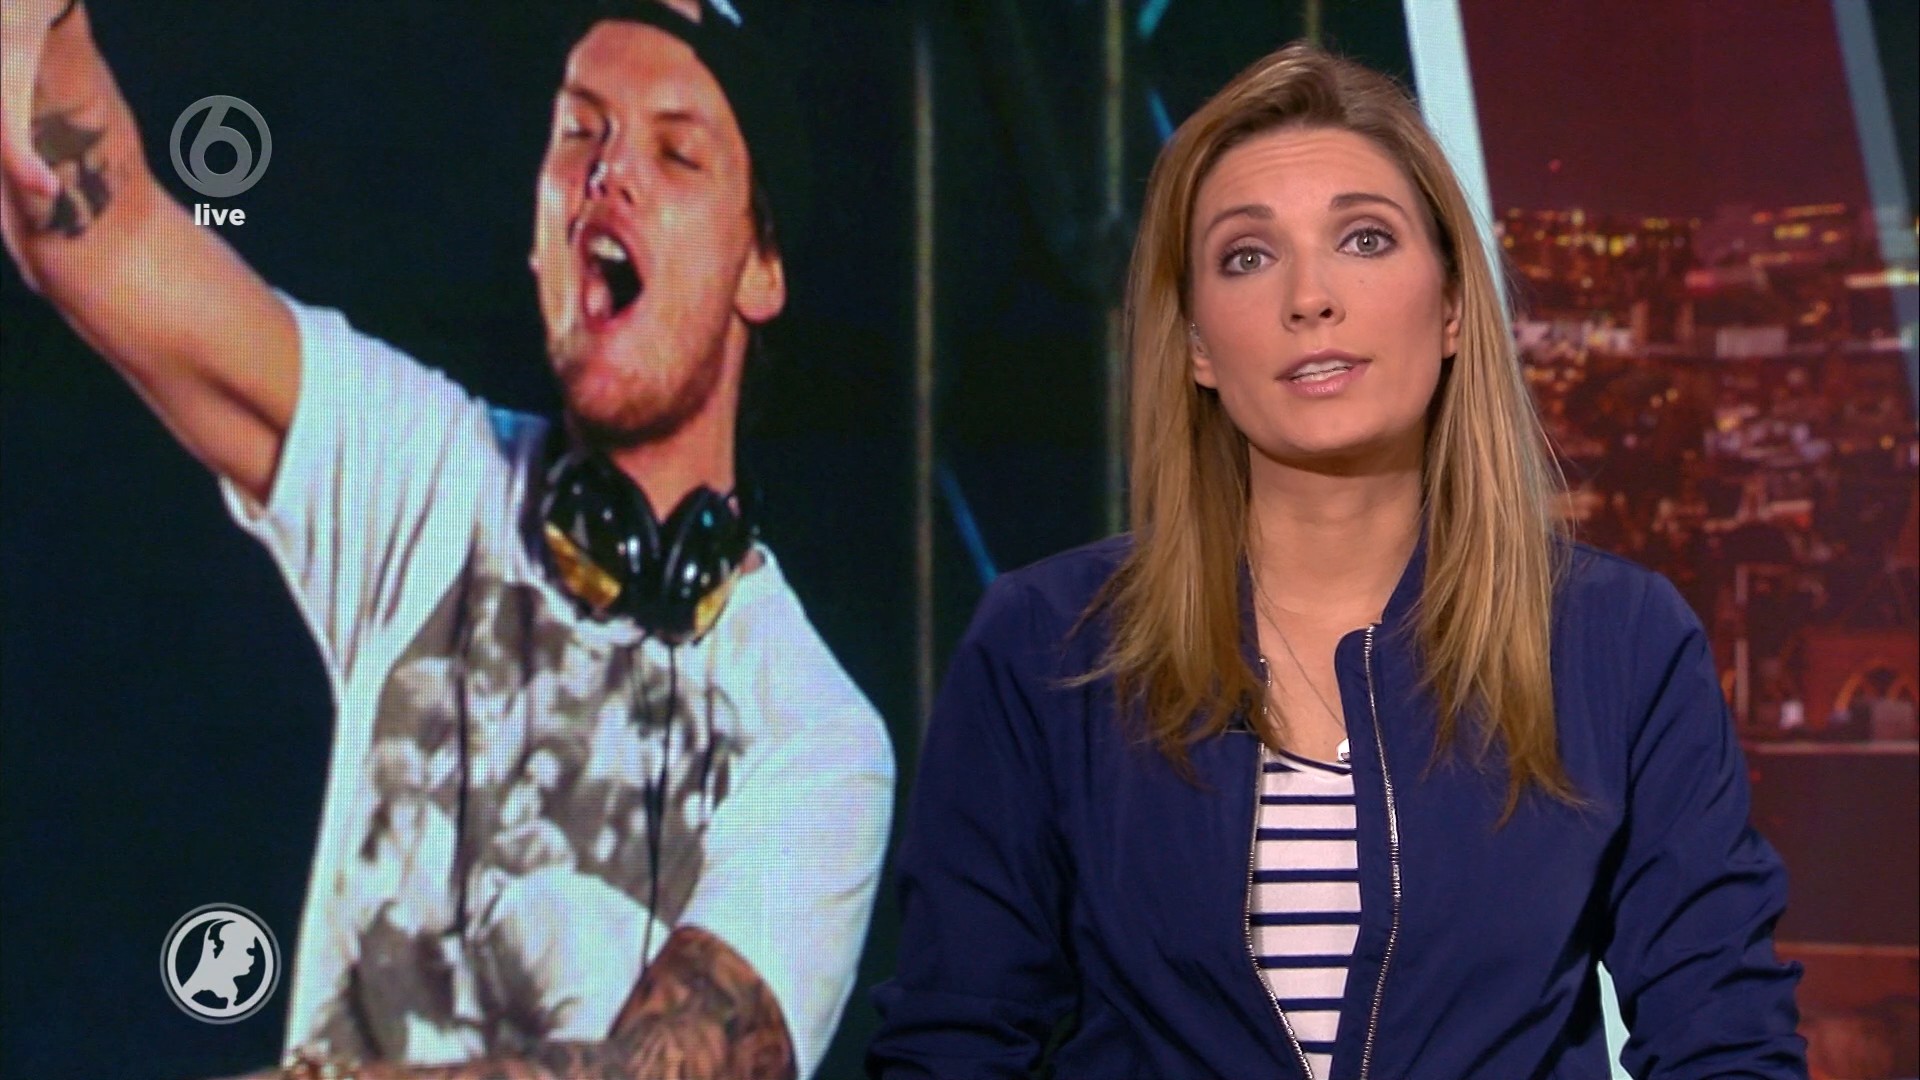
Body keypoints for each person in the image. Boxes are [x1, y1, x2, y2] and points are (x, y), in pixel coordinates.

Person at [868, 42, 1806, 1080]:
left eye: (1364, 239)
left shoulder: (1616, 642)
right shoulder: (1049, 645)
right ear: (1197, 345)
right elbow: (952, 1044)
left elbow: (1727, 1039)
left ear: (1452, 307)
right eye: (1247, 256)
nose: (1309, 297)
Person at [0, 1, 893, 1077]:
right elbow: (99, 235)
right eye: (580, 131)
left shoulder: (818, 735)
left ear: (761, 269)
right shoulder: (427, 471)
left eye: (677, 153)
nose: (610, 172)